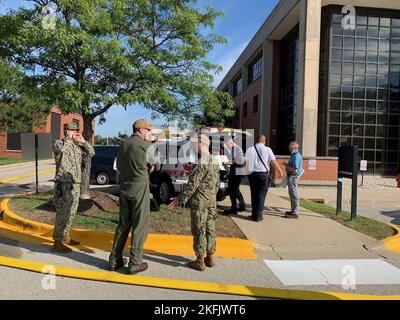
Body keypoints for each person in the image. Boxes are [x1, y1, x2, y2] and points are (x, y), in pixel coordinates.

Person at [109, 119, 155, 274]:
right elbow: (157, 164)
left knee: (123, 224)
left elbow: (119, 165)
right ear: (142, 130)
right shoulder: (146, 146)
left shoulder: (123, 144)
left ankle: (115, 260)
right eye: (148, 130)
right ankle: (135, 263)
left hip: (124, 186)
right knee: (140, 225)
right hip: (139, 186)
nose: (149, 133)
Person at [169, 134, 220, 272]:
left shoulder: (202, 162)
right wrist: (211, 196)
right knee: (210, 229)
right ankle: (210, 257)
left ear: (201, 144)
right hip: (211, 202)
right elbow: (216, 184)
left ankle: (200, 260)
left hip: (200, 203)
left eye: (194, 144)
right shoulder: (214, 160)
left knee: (199, 230)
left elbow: (192, 184)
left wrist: (179, 199)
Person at [52, 122, 95, 253]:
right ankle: (57, 242)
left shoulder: (77, 146)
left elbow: (91, 152)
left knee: (71, 211)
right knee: (63, 212)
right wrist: (69, 138)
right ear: (66, 131)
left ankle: (65, 236)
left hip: (75, 183)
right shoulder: (59, 143)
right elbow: (62, 150)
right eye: (73, 130)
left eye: (77, 130)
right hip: (63, 183)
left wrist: (82, 142)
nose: (76, 132)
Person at [245, 134, 283, 222]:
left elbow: (246, 163)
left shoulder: (250, 149)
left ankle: (254, 214)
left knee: (254, 194)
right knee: (261, 195)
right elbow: (273, 162)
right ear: (263, 140)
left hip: (252, 174)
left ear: (257, 140)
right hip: (263, 175)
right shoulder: (267, 149)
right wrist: (280, 171)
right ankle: (258, 215)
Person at [224, 138, 246, 215]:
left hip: (237, 173)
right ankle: (241, 206)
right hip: (236, 172)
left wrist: (225, 162)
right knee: (235, 190)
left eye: (227, 144)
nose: (227, 146)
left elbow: (236, 161)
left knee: (233, 190)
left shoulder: (237, 149)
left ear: (231, 142)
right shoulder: (235, 149)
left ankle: (234, 208)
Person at [284, 141, 304, 219]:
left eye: (290, 147)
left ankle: (295, 213)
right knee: (291, 194)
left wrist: (286, 165)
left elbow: (295, 169)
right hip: (291, 177)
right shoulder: (293, 155)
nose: (289, 148)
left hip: (293, 177)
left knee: (294, 195)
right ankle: (293, 211)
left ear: (295, 147)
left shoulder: (296, 156)